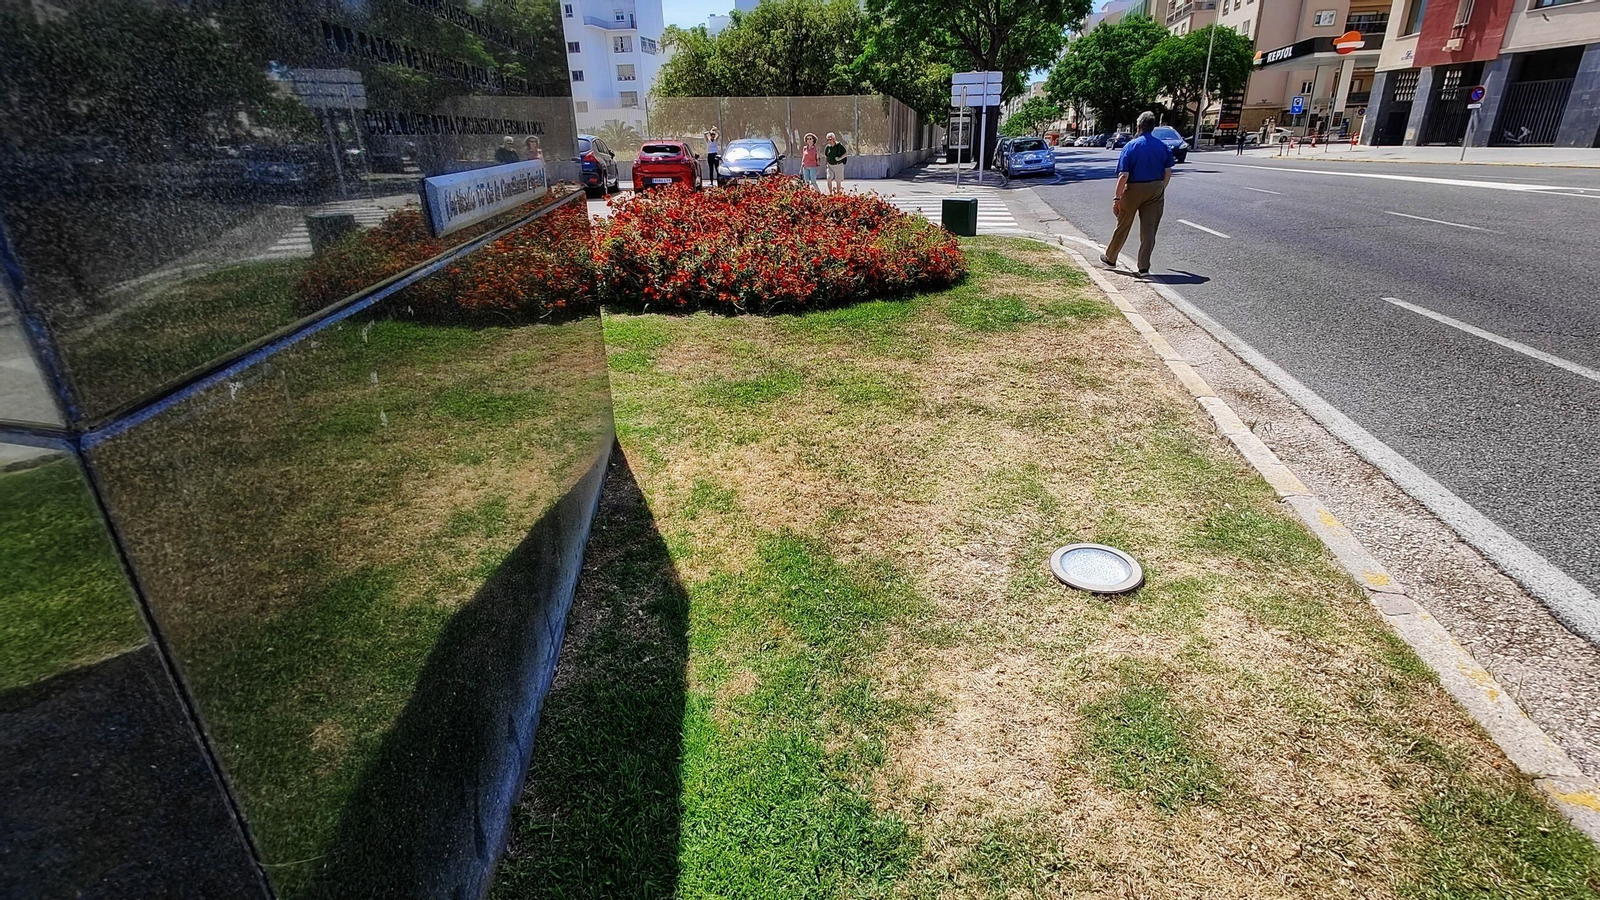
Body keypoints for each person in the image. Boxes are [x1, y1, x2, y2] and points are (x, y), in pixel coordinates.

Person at [1100, 111, 1174, 276]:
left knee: (1124, 223)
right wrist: (1161, 188)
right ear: (1153, 126)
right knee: (1149, 228)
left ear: (1139, 126)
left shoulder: (1131, 146)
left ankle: (1111, 257)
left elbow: (1123, 175)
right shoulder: (1162, 146)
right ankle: (1143, 266)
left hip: (1133, 188)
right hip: (1155, 188)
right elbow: (1167, 171)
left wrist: (1117, 198)